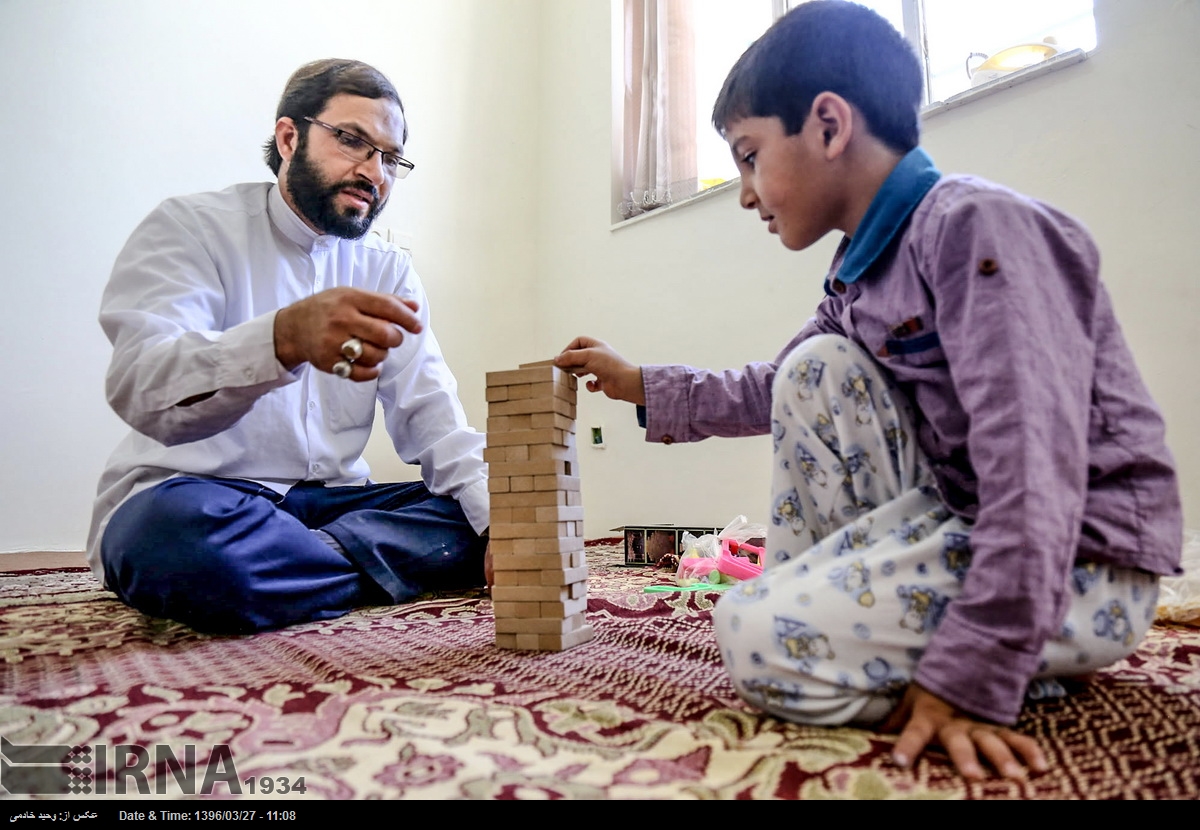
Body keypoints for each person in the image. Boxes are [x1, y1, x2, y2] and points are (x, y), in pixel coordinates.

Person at [555, 1, 1182, 781]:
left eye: (749, 156)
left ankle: (998, 658)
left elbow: (1036, 471)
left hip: (1078, 565)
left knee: (755, 640)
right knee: (815, 369)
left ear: (827, 125)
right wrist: (641, 383)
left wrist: (971, 675)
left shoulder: (974, 228)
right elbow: (774, 388)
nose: (746, 193)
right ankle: (865, 621)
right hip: (963, 522)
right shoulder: (857, 273)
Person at [88, 59, 491, 635]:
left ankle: (285, 570)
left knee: (475, 507)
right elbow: (141, 386)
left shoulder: (388, 270)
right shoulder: (191, 228)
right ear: (288, 137)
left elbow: (435, 420)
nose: (374, 172)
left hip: (331, 503)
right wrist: (281, 339)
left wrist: (499, 526)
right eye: (353, 141)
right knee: (171, 539)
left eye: (390, 157)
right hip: (201, 498)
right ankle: (366, 566)